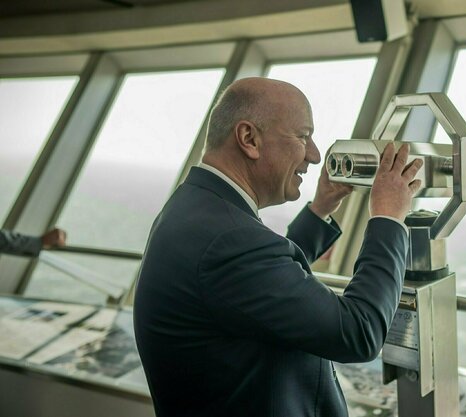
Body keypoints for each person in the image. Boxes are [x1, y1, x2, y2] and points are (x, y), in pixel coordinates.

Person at [133, 77, 422, 417]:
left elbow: (261, 285)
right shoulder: (228, 240)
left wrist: (321, 208)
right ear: (249, 139)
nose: (314, 155)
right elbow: (358, 332)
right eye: (303, 136)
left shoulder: (195, 207)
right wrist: (388, 218)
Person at [0, 228, 66, 256]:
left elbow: (11, 241)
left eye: (55, 236)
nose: (51, 233)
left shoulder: (35, 244)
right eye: (53, 231)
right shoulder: (36, 244)